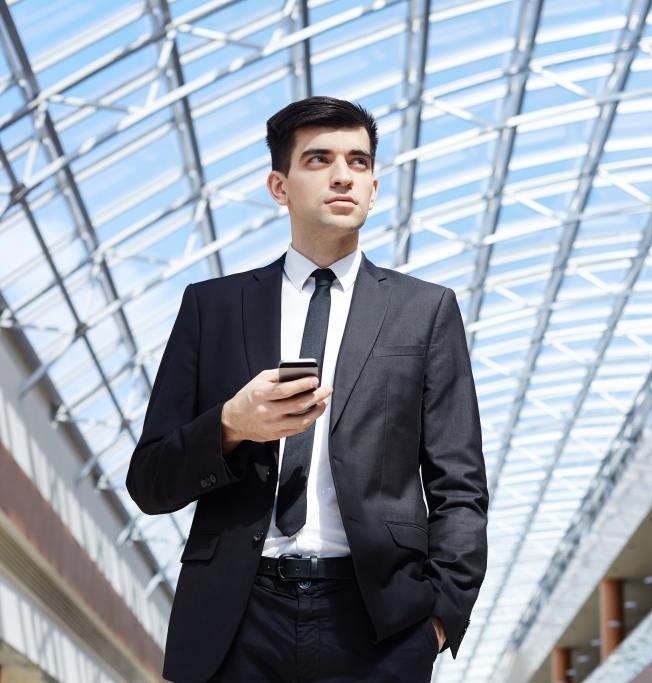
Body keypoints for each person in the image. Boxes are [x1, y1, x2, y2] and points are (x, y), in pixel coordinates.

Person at [126, 96, 488, 682]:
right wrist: (230, 427)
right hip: (235, 617)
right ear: (280, 185)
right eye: (319, 159)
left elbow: (460, 483)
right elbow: (148, 482)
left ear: (373, 187)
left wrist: (440, 617)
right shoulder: (212, 308)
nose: (344, 174)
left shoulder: (425, 311)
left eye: (360, 162)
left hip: (379, 622)